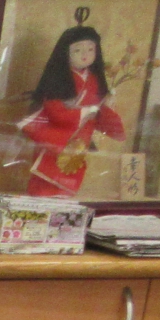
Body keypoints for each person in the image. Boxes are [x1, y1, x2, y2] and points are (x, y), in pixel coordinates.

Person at [19, 20, 124, 198]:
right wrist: (85, 112)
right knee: (49, 166)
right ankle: (43, 192)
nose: (85, 55)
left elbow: (100, 110)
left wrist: (106, 104)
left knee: (73, 165)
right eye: (77, 50)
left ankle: (64, 192)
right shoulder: (59, 78)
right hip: (58, 133)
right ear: (65, 52)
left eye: (90, 49)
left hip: (82, 133)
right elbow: (54, 110)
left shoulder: (95, 79)